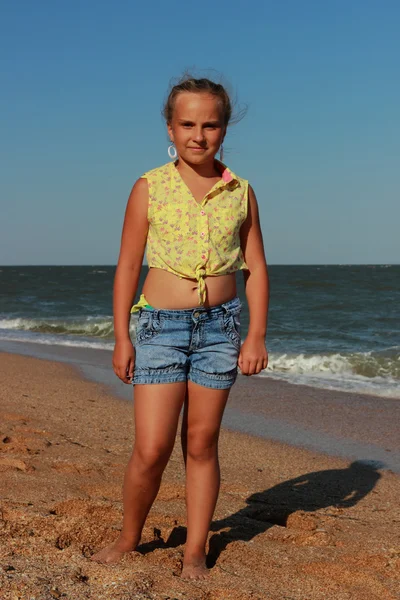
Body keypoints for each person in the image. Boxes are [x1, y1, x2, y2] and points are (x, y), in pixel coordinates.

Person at [91, 76, 269, 579]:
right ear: (170, 127)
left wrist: (255, 334)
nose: (198, 134)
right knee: (151, 447)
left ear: (224, 129)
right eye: (187, 123)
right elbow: (128, 266)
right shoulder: (149, 186)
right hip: (158, 328)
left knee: (201, 443)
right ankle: (130, 536)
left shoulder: (240, 191)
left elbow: (254, 266)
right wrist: (122, 336)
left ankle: (194, 549)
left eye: (210, 124)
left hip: (220, 328)